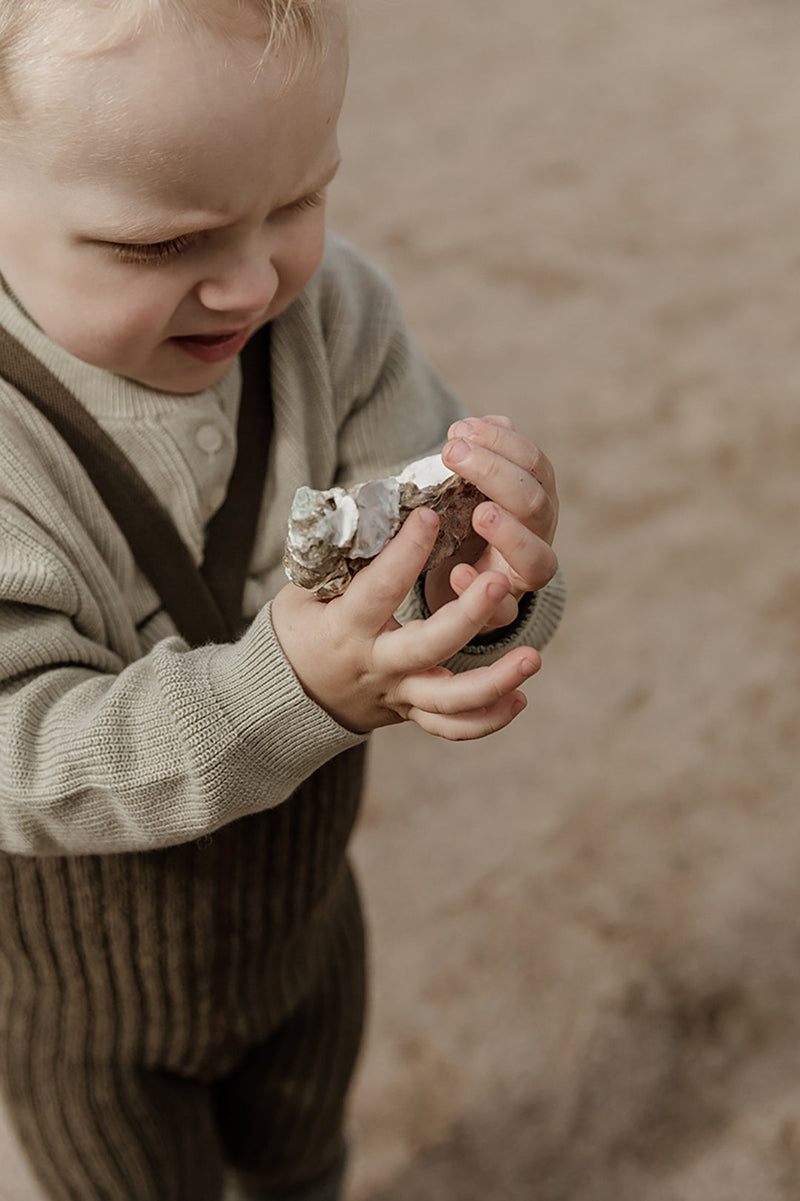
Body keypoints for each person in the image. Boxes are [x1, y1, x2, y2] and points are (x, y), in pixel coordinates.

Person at [0, 1, 566, 1199]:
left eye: (297, 201)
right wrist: (289, 689)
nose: (252, 281)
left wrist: (485, 583)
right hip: (86, 1008)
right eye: (163, 246)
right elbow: (19, 756)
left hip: (303, 928)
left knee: (307, 1164)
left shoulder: (332, 319)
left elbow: (420, 552)